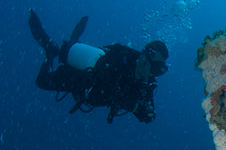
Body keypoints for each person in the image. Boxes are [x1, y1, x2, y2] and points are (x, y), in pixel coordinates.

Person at [28, 9, 169, 124]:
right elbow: (109, 85)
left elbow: (148, 114)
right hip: (82, 80)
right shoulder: (124, 58)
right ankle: (50, 52)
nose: (152, 74)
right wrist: (132, 106)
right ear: (144, 58)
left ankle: (70, 42)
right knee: (42, 81)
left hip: (93, 94)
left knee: (66, 50)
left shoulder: (148, 83)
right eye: (153, 68)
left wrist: (145, 113)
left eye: (157, 71)